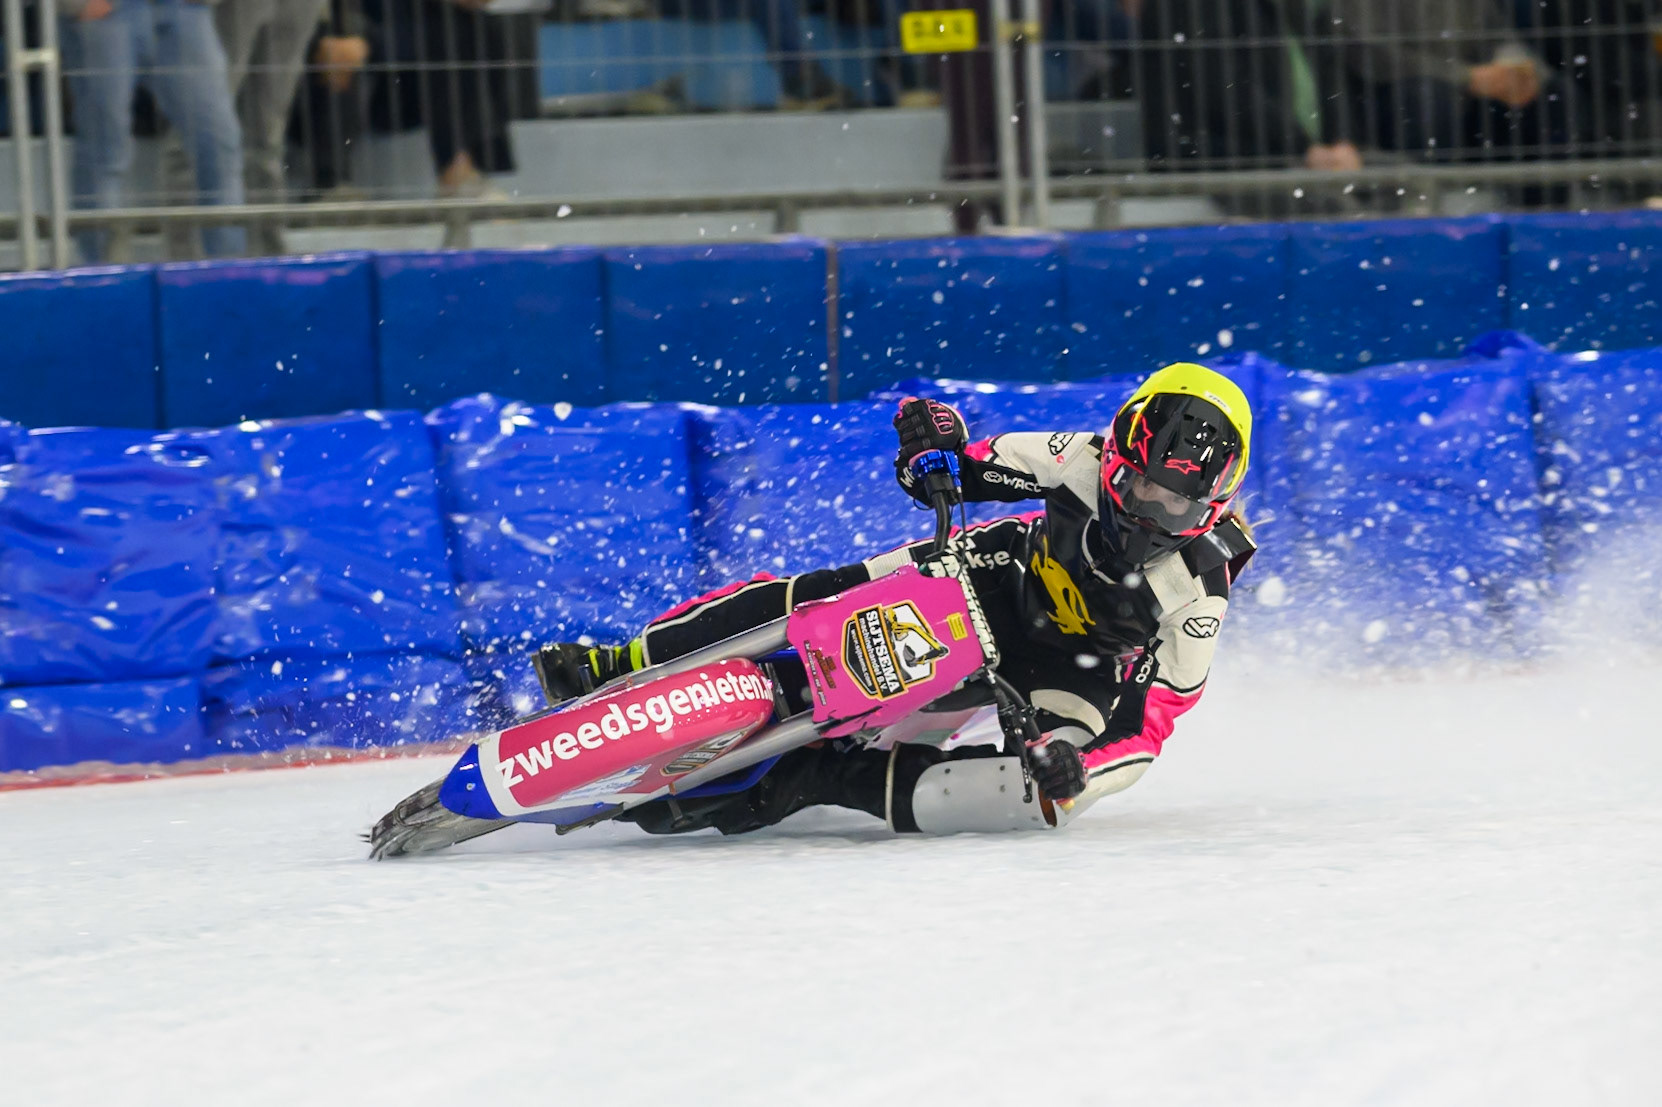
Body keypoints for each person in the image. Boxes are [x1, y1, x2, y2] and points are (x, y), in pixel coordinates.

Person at [534, 363, 1257, 836]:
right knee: (829, 590)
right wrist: (929, 445)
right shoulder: (1079, 455)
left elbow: (1151, 724)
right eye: (1137, 489)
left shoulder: (1200, 590)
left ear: (1214, 506)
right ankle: (620, 661)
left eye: (1174, 508)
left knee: (1036, 799)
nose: (1147, 515)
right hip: (1003, 578)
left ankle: (824, 776)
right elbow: (958, 467)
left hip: (1082, 671)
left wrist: (1082, 770)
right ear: (1117, 460)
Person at [58, 0, 248, 262]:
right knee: (104, 149)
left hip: (184, 9)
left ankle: (230, 271)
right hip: (108, 12)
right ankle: (100, 277)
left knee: (219, 141)